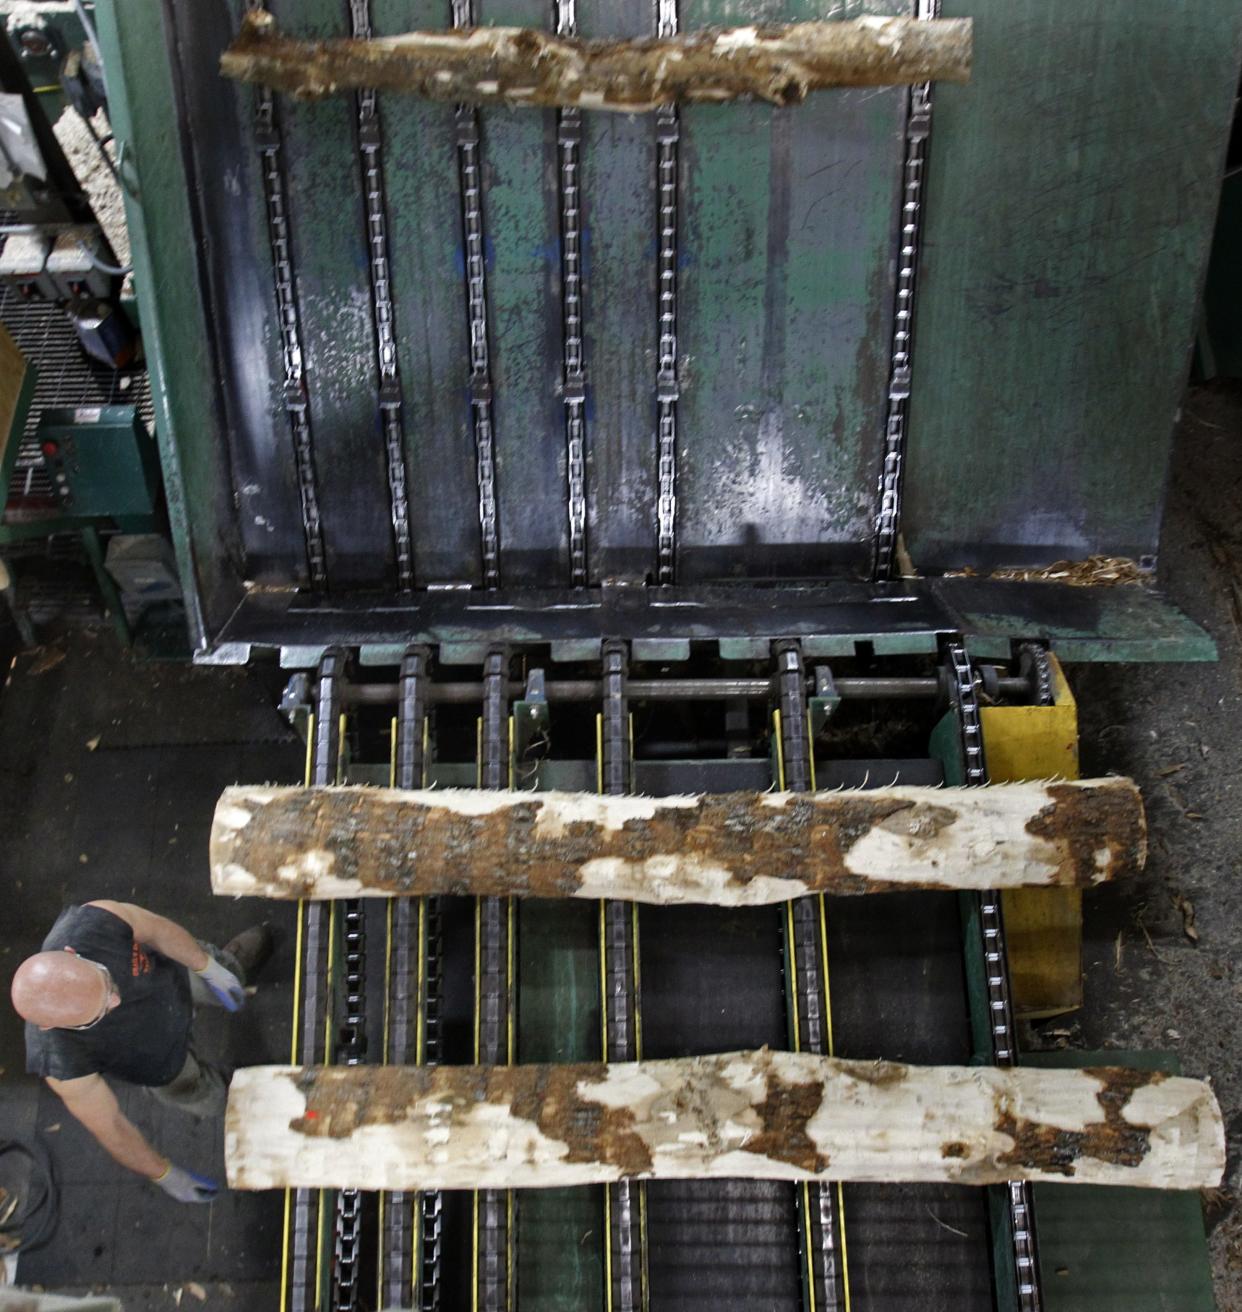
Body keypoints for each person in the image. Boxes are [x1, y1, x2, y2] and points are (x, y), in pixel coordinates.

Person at [9, 901, 271, 1204]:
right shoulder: (59, 1061)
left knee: (225, 971)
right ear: (49, 1027)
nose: (115, 1002)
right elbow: (112, 1127)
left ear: (72, 954)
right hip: (158, 1062)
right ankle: (237, 1100)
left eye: (105, 982)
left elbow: (157, 930)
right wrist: (163, 1174)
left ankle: (235, 965)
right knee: (201, 1095)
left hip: (176, 982)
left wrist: (207, 967)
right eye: (97, 1014)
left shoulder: (93, 923)